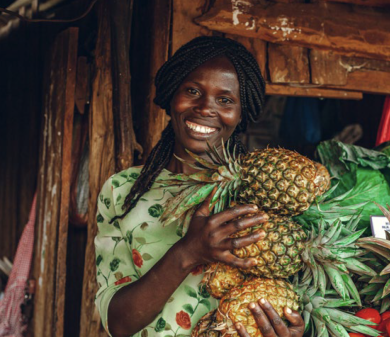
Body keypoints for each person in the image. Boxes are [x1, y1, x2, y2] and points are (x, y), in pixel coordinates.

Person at [94, 36, 306, 337]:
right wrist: (189, 251)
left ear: (241, 114)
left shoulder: (264, 196)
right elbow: (118, 323)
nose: (205, 107)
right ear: (171, 96)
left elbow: (296, 298)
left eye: (225, 100)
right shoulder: (124, 190)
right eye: (192, 91)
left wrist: (292, 329)